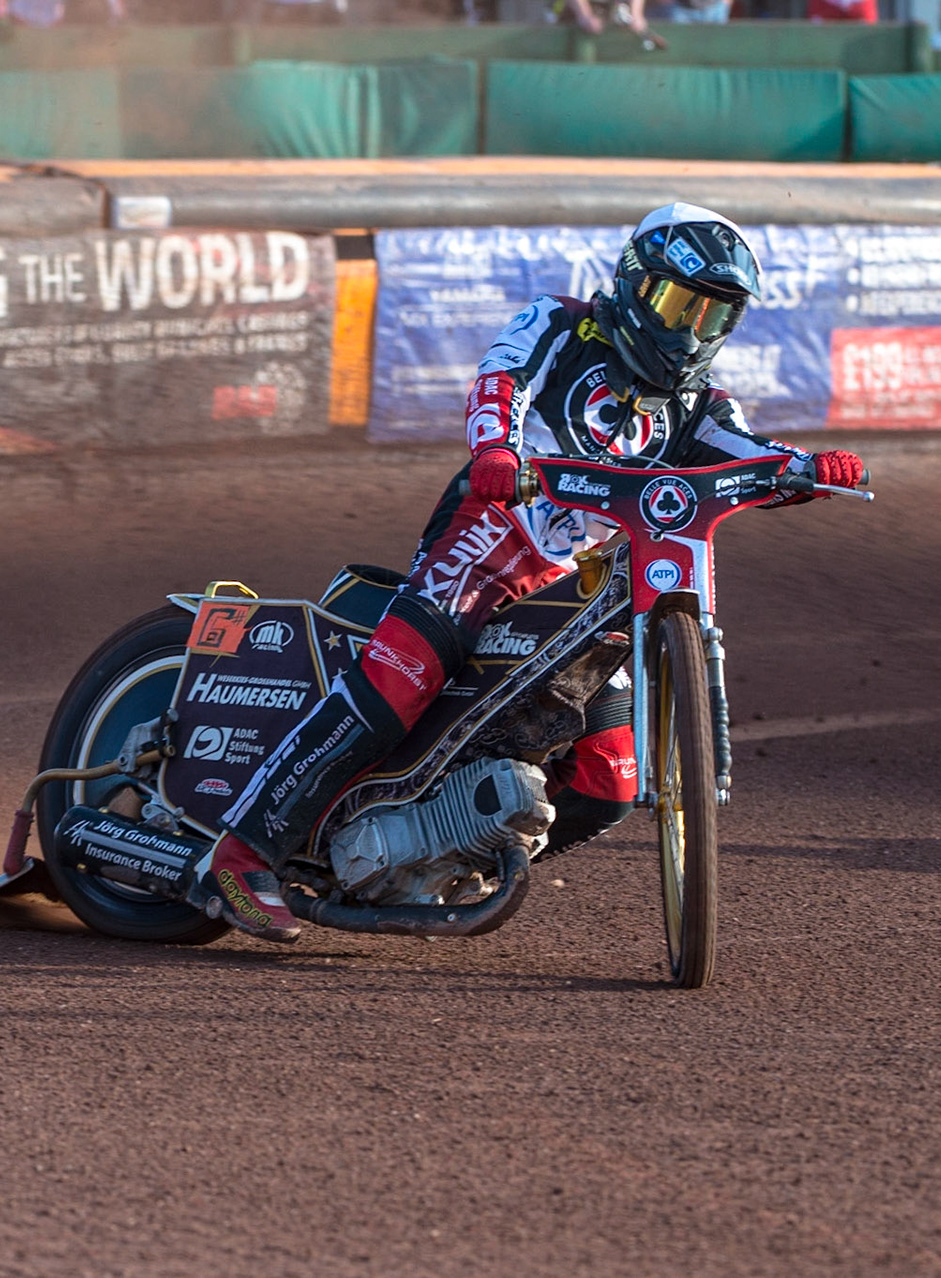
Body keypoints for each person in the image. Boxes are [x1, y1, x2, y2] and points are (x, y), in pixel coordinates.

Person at [202, 202, 867, 943]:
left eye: (711, 317)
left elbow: (744, 452)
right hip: (492, 534)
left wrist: (806, 470)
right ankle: (243, 850)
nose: (688, 330)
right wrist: (498, 451)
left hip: (581, 583)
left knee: (612, 778)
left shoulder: (699, 405)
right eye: (679, 303)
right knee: (403, 676)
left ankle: (459, 840)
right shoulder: (560, 324)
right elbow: (501, 381)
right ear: (634, 283)